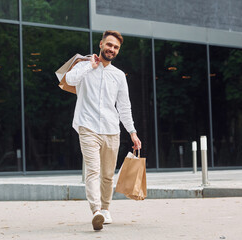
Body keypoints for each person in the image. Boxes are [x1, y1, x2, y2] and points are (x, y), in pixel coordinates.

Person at [65, 30, 142, 231]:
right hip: (87, 126)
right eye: (109, 45)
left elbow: (124, 107)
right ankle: (96, 211)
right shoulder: (83, 66)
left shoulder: (118, 76)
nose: (112, 49)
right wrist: (89, 66)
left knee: (107, 174)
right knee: (92, 170)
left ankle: (106, 208)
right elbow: (69, 80)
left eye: (116, 47)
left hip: (111, 129)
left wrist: (132, 132)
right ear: (101, 44)